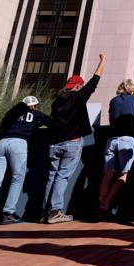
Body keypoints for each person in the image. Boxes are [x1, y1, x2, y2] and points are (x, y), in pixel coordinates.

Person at [43, 53, 106, 223]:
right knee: (62, 177)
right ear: (78, 86)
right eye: (81, 85)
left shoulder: (56, 102)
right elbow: (95, 80)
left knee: (51, 176)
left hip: (54, 144)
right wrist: (102, 61)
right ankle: (55, 211)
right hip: (72, 143)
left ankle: (46, 212)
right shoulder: (78, 98)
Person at [0, 96, 50, 225]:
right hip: (18, 143)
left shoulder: (12, 114)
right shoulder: (36, 114)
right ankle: (8, 212)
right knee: (18, 178)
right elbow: (50, 123)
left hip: (1, 144)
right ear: (34, 106)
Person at [98, 80, 134, 216]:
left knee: (107, 174)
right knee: (123, 174)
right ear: (133, 89)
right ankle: (107, 204)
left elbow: (111, 118)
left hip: (112, 139)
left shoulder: (114, 100)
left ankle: (101, 202)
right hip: (127, 139)